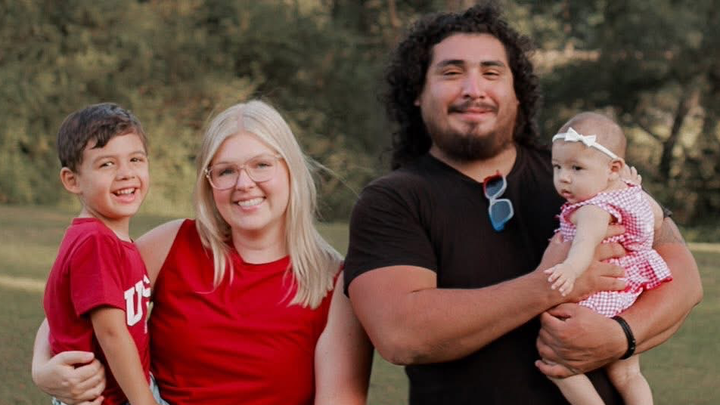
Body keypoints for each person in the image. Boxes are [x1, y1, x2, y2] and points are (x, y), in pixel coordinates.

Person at [343, 4, 702, 405]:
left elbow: (685, 278)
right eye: (451, 72)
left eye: (492, 73)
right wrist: (548, 284)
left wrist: (621, 335)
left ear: (517, 91)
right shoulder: (392, 200)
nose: (474, 89)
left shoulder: (581, 171)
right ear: (417, 91)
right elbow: (402, 334)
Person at [32, 100, 373, 405]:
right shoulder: (173, 244)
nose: (244, 184)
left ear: (290, 169)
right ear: (209, 183)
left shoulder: (335, 283)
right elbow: (76, 304)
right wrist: (43, 369)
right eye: (226, 171)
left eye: (261, 165)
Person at [544, 112, 671, 405]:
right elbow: (655, 221)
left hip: (595, 301)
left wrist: (569, 268)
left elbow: (585, 244)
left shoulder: (593, 209)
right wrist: (632, 187)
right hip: (627, 297)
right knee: (629, 375)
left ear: (613, 169)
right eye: (557, 167)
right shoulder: (634, 194)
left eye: (576, 168)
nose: (563, 177)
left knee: (559, 366)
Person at [43, 103, 166, 405]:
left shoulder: (109, 239)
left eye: (135, 159)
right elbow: (111, 333)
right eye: (107, 164)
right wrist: (144, 401)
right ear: (72, 181)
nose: (126, 173)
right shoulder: (96, 242)